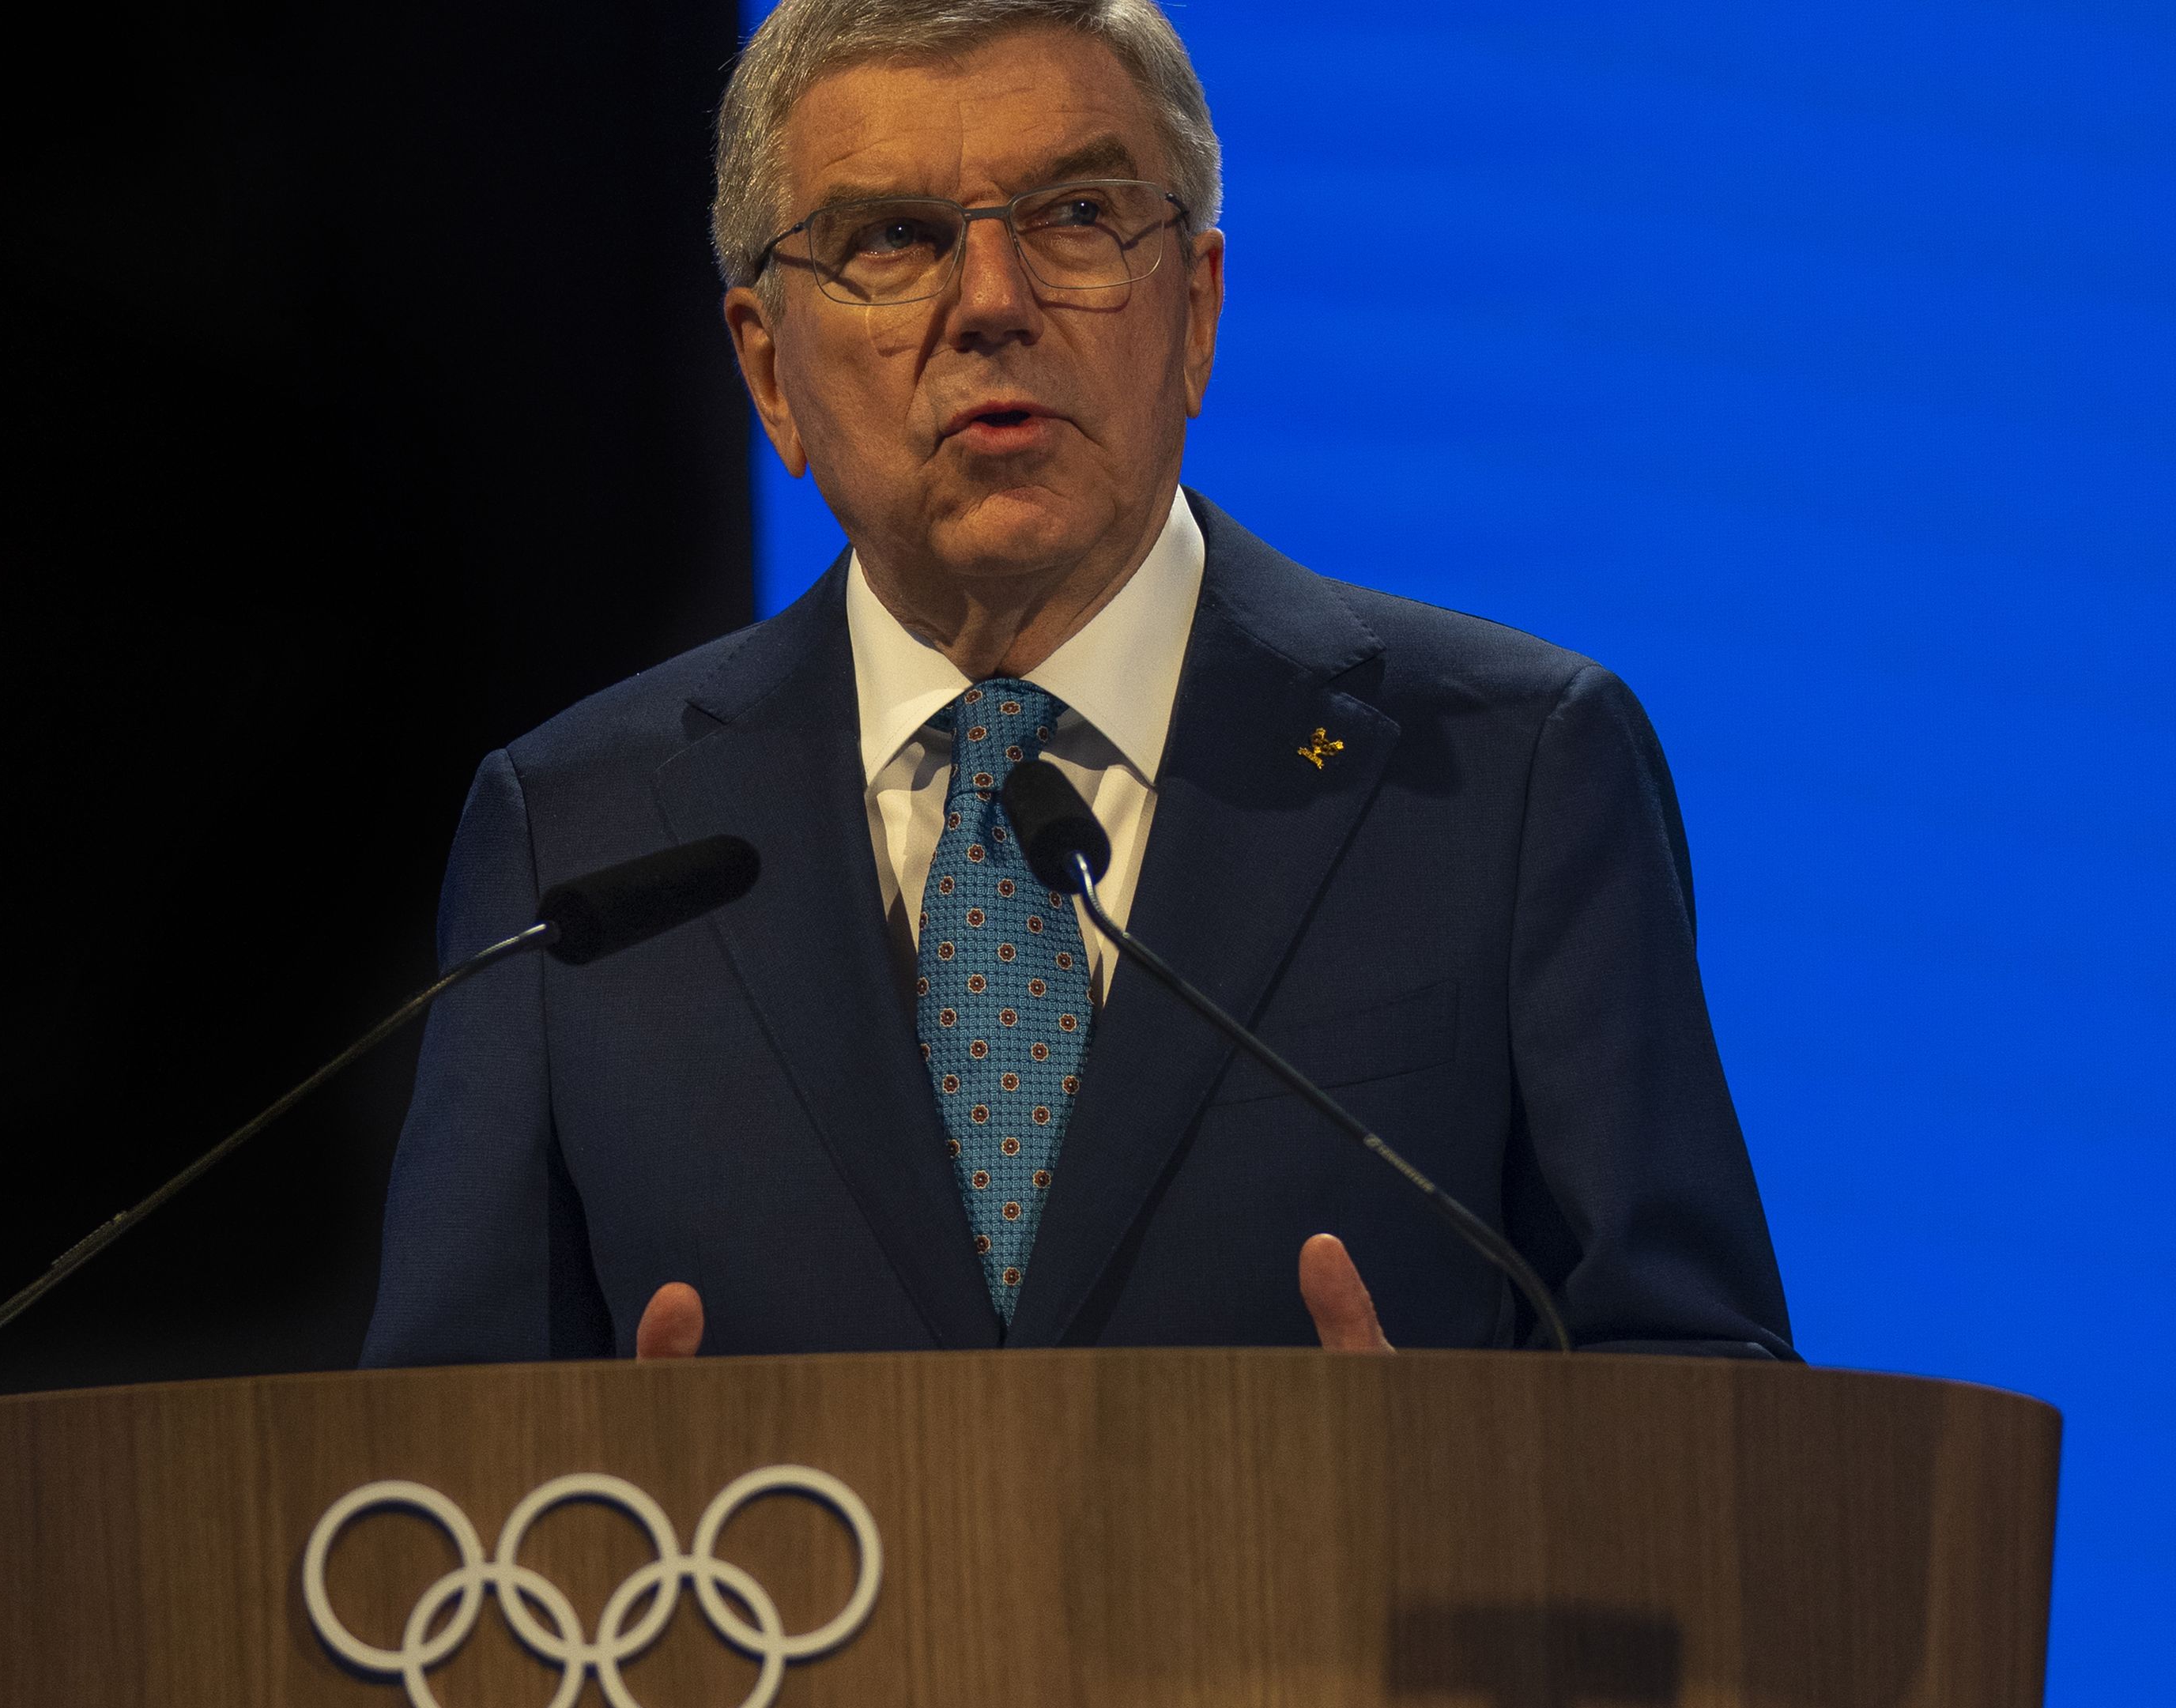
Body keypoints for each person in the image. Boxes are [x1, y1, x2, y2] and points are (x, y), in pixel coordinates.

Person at [361, 0, 1793, 1367]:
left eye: (1077, 218)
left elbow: (1701, 1400)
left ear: (1197, 313)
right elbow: (431, 1499)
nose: (993, 303)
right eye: (895, 238)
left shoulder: (1508, 772)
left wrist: (1450, 1487)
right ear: (770, 372)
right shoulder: (581, 847)